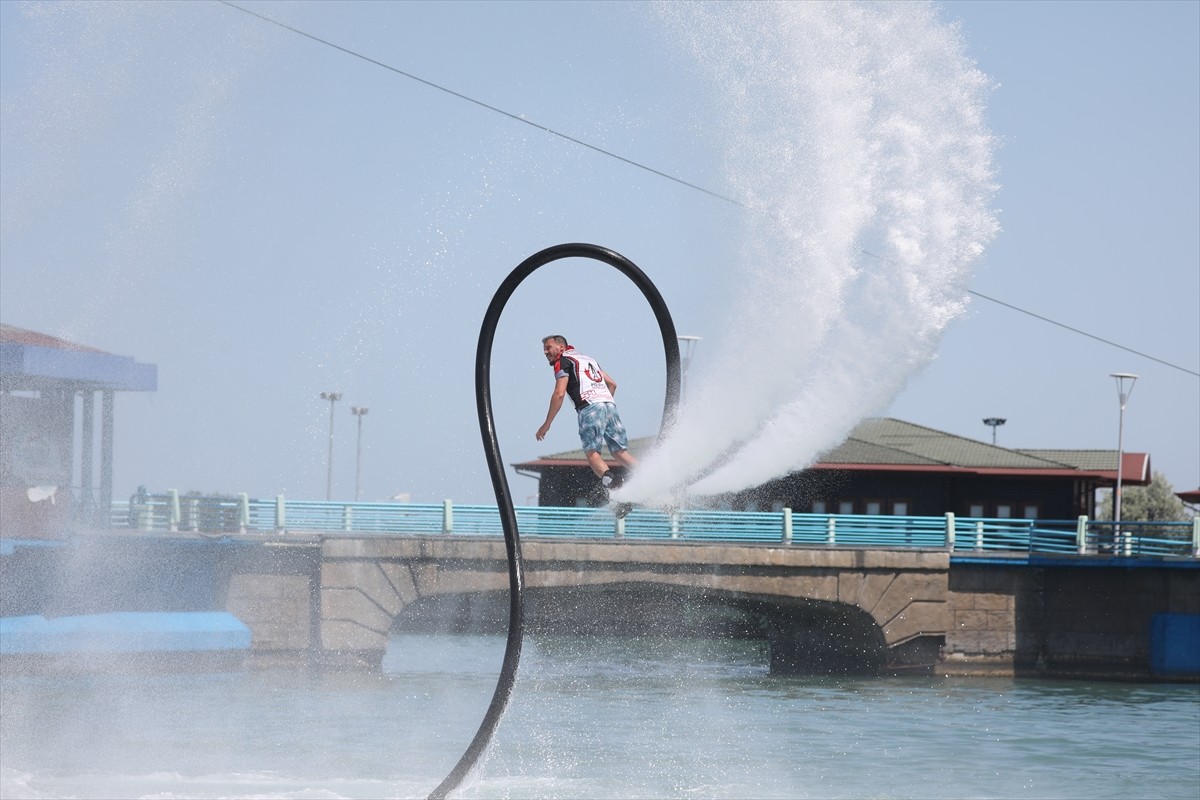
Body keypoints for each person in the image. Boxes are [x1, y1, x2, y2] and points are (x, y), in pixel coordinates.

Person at [536, 335, 637, 493]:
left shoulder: (562, 361)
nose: (545, 352)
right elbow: (612, 384)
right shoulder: (588, 359)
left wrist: (547, 423)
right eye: (544, 349)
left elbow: (559, 393)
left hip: (589, 407)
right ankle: (651, 475)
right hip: (609, 404)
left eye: (548, 348)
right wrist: (602, 403)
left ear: (561, 347)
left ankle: (617, 489)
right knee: (620, 452)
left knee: (592, 454)